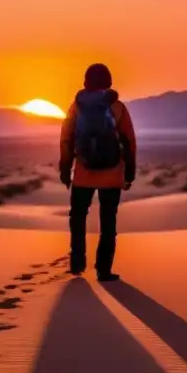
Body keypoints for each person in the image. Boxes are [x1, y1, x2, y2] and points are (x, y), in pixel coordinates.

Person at [59, 63, 137, 281]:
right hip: (112, 173)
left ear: (86, 81)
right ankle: (104, 270)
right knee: (108, 222)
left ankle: (76, 263)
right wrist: (130, 171)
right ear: (109, 81)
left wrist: (65, 168)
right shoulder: (118, 107)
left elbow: (66, 138)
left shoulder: (77, 106)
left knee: (78, 217)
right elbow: (129, 141)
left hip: (83, 173)